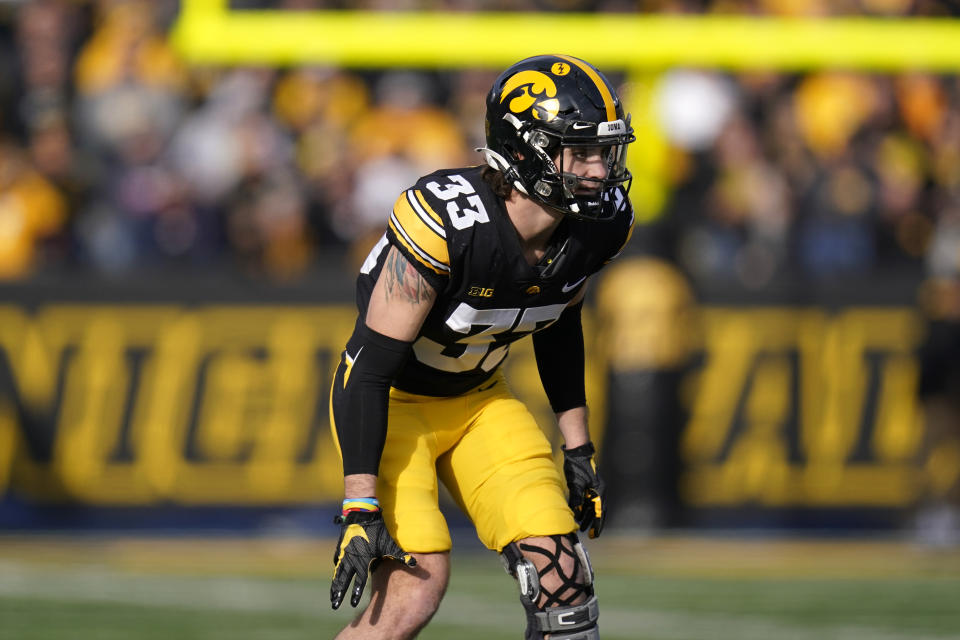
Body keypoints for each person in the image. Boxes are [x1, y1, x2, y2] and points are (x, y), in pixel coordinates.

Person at [328, 54, 636, 640]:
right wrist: (359, 504)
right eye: (581, 152)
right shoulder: (450, 221)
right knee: (414, 591)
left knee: (561, 578)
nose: (599, 171)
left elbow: (561, 321)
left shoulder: (596, 225)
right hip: (395, 404)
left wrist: (577, 447)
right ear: (525, 151)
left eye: (604, 152)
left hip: (479, 400)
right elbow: (366, 368)